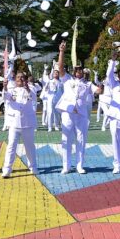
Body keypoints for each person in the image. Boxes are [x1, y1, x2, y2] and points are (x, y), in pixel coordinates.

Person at [55, 41, 94, 174]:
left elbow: (98, 91)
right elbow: (60, 68)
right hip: (68, 112)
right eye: (76, 69)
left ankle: (79, 165)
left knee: (81, 139)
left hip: (81, 114)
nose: (78, 71)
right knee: (66, 138)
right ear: (73, 71)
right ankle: (66, 166)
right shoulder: (67, 80)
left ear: (83, 71)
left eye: (80, 69)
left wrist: (102, 85)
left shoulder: (88, 83)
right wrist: (61, 52)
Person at [2, 70, 38, 177]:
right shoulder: (11, 89)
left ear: (25, 79)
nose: (20, 79)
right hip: (14, 123)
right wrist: (4, 87)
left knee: (30, 147)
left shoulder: (31, 88)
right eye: (18, 77)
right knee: (11, 146)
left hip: (27, 123)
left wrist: (27, 87)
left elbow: (33, 97)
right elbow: (6, 96)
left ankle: (33, 166)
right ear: (15, 79)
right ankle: (7, 169)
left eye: (22, 77)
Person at [40, 67, 62, 132]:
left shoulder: (60, 82)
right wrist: (47, 83)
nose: (55, 74)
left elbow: (62, 91)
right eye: (54, 73)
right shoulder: (50, 81)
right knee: (50, 112)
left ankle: (56, 126)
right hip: (50, 97)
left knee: (57, 113)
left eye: (57, 73)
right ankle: (50, 127)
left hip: (57, 98)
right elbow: (46, 89)